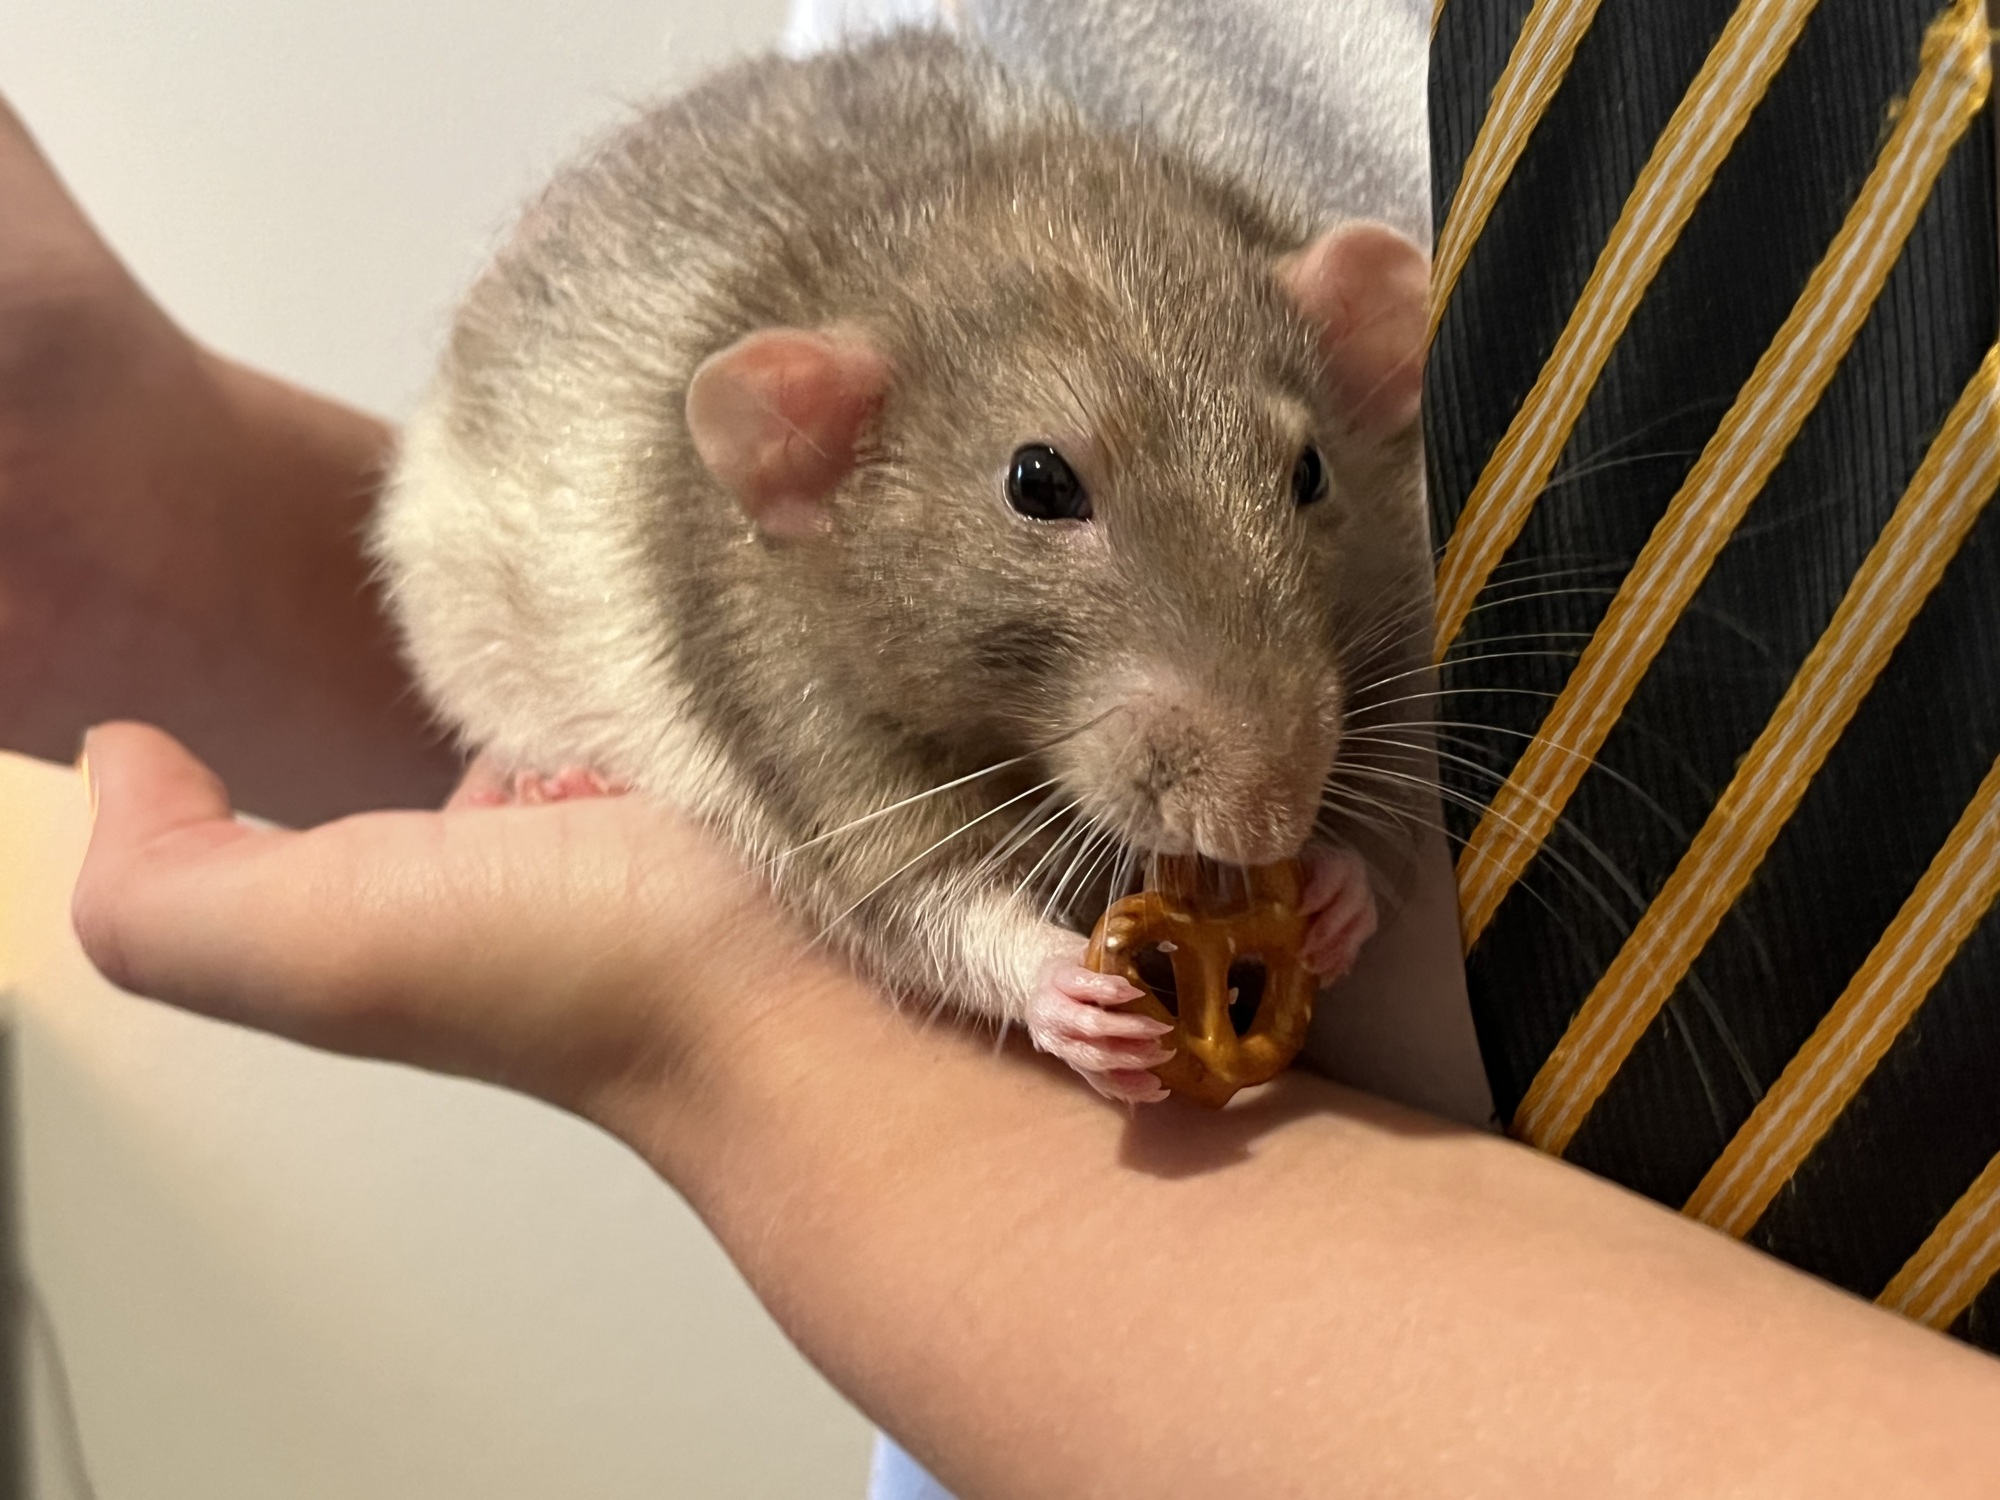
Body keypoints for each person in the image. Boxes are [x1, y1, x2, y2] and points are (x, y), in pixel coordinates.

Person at [10, 49, 2000, 1500]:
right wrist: (137, 493)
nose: (1260, 756)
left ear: (1357, 360)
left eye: (1305, 472)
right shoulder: (848, 428)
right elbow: (832, 834)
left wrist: (725, 1028)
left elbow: (759, 923)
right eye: (1040, 497)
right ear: (803, 454)